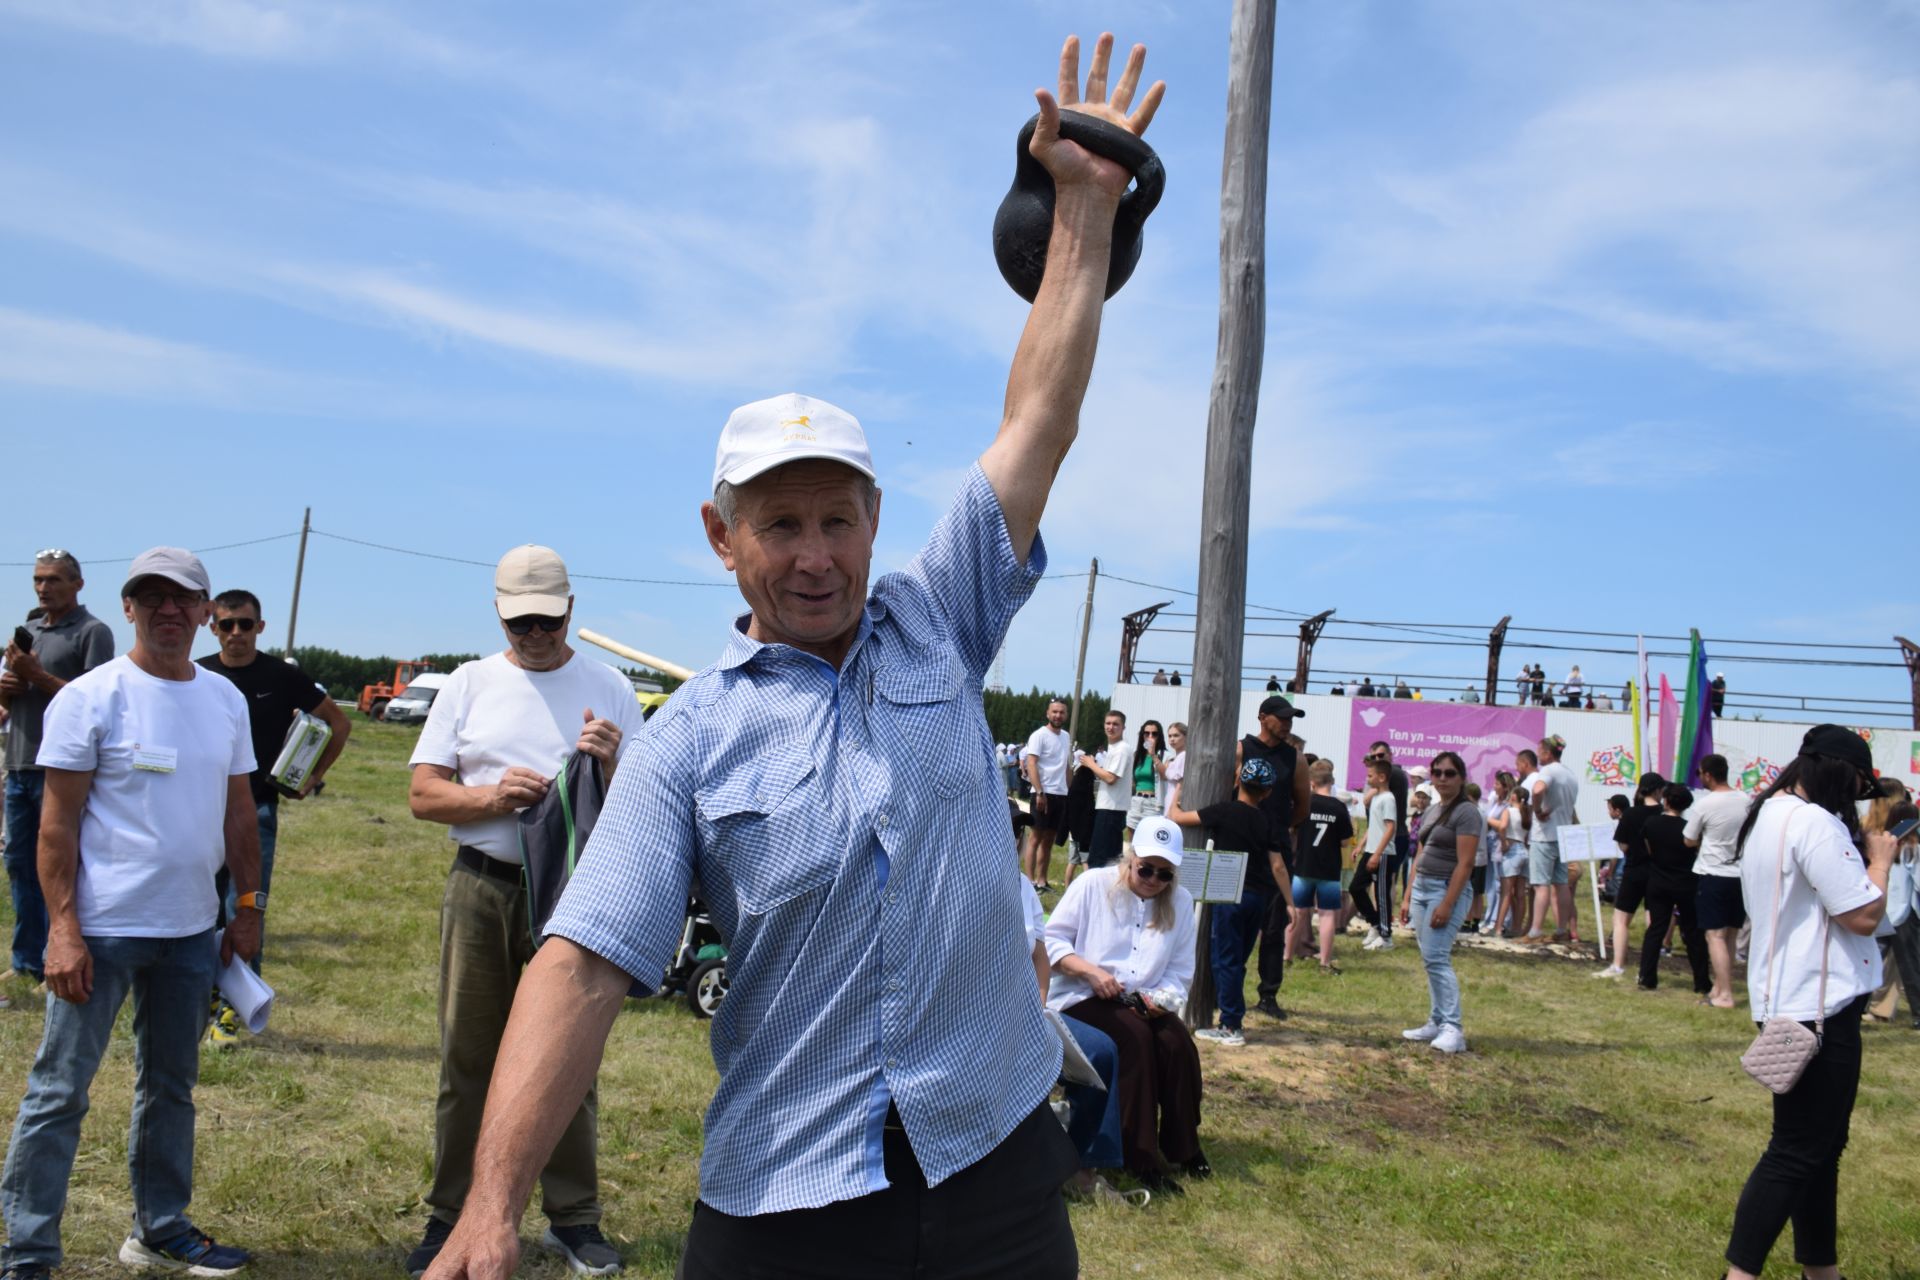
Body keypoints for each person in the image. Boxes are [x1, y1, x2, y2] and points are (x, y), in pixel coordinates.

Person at [421, 36, 1166, 1280]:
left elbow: (1039, 417)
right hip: (790, 1194)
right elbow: (582, 962)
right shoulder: (686, 741)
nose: (814, 556)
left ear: (875, 520)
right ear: (723, 537)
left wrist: (1084, 211)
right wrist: (491, 1205)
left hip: (994, 1169)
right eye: (780, 524)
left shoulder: (940, 616)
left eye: (837, 519)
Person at [0, 548, 259, 1277]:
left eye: (182, 598)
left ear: (205, 611)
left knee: (171, 1088)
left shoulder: (224, 700)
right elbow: (56, 825)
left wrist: (247, 907)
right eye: (151, 597)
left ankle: (160, 1227)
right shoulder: (91, 696)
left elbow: (240, 814)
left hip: (191, 933)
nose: (167, 610)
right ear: (128, 608)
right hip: (102, 933)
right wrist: (62, 930)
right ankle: (27, 1252)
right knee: (59, 1092)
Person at [403, 545, 646, 1278]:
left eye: (547, 620)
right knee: (468, 1057)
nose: (535, 634)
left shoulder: (609, 686)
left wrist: (613, 763)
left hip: (573, 895)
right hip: (481, 888)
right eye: (520, 623)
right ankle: (451, 1217)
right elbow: (423, 795)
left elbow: (645, 803)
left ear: (570, 609)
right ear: (498, 614)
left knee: (566, 1059)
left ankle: (574, 1217)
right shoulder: (469, 684)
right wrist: (490, 798)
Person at [1722, 726, 1896, 1280]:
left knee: (1819, 1147)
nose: (1857, 799)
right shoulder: (1815, 823)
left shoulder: (1768, 814)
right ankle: (1740, 1275)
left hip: (1787, 997)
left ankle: (1821, 1270)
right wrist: (1880, 861)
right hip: (1819, 1007)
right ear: (1839, 773)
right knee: (1797, 1150)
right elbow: (1861, 914)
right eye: (1858, 786)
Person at [194, 589, 352, 1039]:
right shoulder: (198, 674)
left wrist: (313, 776)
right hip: (202, 813)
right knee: (201, 912)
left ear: (260, 628)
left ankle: (236, 1010)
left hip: (257, 810)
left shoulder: (282, 676)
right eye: (227, 624)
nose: (236, 633)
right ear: (213, 628)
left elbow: (339, 724)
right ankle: (204, 997)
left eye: (245, 624)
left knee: (245, 911)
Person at [1045, 817, 1203, 1196]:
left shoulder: (1180, 901)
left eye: (1164, 874)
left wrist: (1160, 1000)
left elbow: (1180, 971)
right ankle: (1140, 1154)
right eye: (1145, 869)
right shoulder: (1092, 884)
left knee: (1177, 1043)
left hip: (1142, 999)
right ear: (1130, 858)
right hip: (1082, 995)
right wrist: (1090, 972)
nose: (1153, 880)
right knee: (1133, 1038)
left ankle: (1183, 1145)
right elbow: (1051, 942)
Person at [0, 550, 114, 991]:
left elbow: (96, 703)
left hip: (63, 769)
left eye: (53, 580)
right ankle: (26, 959)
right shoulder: (28, 632)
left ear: (78, 585)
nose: (43, 588)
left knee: (61, 867)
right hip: (19, 761)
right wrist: (9, 687)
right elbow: (9, 701)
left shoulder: (92, 632)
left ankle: (60, 954)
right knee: (19, 864)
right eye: (38, 580)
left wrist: (37, 675)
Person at [1166, 758, 1276, 1046]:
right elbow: (1276, 863)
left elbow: (1176, 816)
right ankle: (1230, 1012)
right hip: (1258, 896)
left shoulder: (1224, 811)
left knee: (1225, 959)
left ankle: (1230, 1025)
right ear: (1267, 792)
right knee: (1238, 961)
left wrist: (1179, 789)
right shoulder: (1265, 820)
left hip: (1228, 894)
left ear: (1238, 780)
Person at [1396, 751, 1481, 1054]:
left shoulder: (1467, 813)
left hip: (1444, 889)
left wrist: (1447, 903)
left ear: (1461, 777)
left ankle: (1453, 1029)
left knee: (1437, 958)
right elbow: (1421, 852)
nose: (1443, 778)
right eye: (1438, 773)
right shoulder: (1433, 809)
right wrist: (1408, 895)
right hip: (1422, 888)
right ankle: (1436, 1020)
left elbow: (1466, 863)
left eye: (1450, 773)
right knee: (1429, 958)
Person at [1239, 695, 1310, 1020]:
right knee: (1233, 922)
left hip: (1275, 850)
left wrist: (1277, 829)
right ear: (1262, 717)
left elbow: (1303, 807)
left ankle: (1268, 994)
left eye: (1290, 719)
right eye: (1281, 718)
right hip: (1240, 846)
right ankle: (1226, 988)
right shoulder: (1241, 749)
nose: (1286, 724)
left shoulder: (1295, 759)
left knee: (1273, 926)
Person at [1686, 753, 1751, 1010]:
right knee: (1731, 935)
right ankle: (1721, 987)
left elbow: (1689, 839)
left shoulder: (1705, 804)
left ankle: (1725, 994)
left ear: (1708, 775)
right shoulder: (1745, 800)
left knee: (1714, 936)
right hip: (1739, 875)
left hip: (1713, 873)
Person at [1635, 785, 1711, 994]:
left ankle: (1647, 977)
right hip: (1686, 882)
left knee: (1656, 929)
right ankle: (1702, 981)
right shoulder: (1688, 828)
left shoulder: (1651, 823)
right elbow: (1696, 849)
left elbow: (1649, 850)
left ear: (1666, 801)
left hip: (1658, 881)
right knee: (1692, 932)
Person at [1595, 772, 1665, 979]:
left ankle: (1618, 965)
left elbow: (1623, 846)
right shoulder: (1663, 813)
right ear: (1659, 791)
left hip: (1634, 870)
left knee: (1621, 919)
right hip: (1658, 872)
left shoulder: (1631, 814)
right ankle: (1647, 969)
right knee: (1653, 922)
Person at [1292, 759, 1353, 973]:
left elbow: (1293, 827)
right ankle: (1325, 961)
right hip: (1329, 868)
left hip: (1304, 865)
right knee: (1327, 915)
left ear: (1311, 782)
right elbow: (1345, 842)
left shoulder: (1305, 802)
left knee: (1298, 912)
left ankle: (1286, 955)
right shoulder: (1339, 807)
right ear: (1331, 781)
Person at [1519, 737, 1580, 945]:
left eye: (1539, 751)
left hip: (1544, 836)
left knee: (1541, 885)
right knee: (1561, 884)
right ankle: (1561, 929)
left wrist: (1537, 810)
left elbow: (1537, 790)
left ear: (1547, 753)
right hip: (1563, 834)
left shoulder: (1548, 771)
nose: (1538, 755)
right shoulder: (1570, 774)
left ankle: (1535, 931)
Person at [1022, 701, 1073, 891]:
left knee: (1049, 840)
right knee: (1035, 838)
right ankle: (1030, 882)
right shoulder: (1039, 735)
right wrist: (1039, 791)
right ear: (1047, 714)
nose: (1058, 715)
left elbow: (1066, 766)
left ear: (1066, 715)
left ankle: (1042, 881)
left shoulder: (1066, 736)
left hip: (1060, 794)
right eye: (1055, 712)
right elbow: (1031, 763)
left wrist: (1069, 790)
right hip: (1042, 793)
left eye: (1061, 712)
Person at [1076, 710, 1133, 871]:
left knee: (1101, 860)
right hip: (1108, 808)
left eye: (1116, 724)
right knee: (1107, 859)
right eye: (1108, 723)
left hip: (1111, 809)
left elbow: (1110, 778)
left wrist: (1091, 764)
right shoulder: (1114, 748)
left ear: (1123, 727)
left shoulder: (1122, 749)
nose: (1111, 727)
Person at [1352, 757, 1398, 951]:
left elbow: (1390, 828)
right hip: (1371, 850)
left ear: (1382, 777)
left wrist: (1377, 854)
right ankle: (1376, 924)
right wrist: (1361, 846)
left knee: (1381, 894)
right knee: (1356, 887)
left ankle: (1386, 937)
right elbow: (1374, 826)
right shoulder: (1377, 797)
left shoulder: (1388, 799)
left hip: (1383, 853)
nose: (1367, 779)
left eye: (1370, 776)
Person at [1124, 719, 1167, 834]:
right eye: (1147, 733)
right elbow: (1133, 781)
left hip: (1153, 803)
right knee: (1133, 840)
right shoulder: (1137, 755)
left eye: (1154, 734)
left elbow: (1165, 775)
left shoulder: (1165, 755)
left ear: (1159, 736)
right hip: (1136, 801)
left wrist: (1153, 754)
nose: (1150, 736)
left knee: (1150, 837)